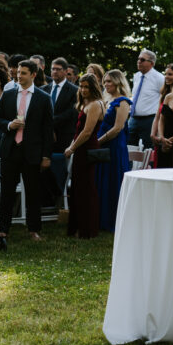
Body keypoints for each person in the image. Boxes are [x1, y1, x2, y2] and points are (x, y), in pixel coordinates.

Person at [0, 59, 54, 247]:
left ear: (34, 75)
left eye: (24, 73)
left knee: (34, 192)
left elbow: (47, 128)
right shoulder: (9, 95)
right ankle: (4, 228)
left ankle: (34, 229)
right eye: (18, 72)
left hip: (32, 151)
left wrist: (46, 156)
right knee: (7, 192)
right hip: (10, 149)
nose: (19, 76)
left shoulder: (43, 98)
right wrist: (10, 125)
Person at [65, 74, 104, 240]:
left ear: (93, 87)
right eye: (81, 86)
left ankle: (87, 230)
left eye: (86, 87)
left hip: (87, 149)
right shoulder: (85, 103)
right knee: (78, 188)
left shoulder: (95, 104)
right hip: (81, 149)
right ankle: (77, 227)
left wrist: (72, 148)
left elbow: (87, 132)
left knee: (86, 190)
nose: (82, 90)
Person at [95, 70, 132, 232]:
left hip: (115, 146)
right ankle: (100, 218)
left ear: (118, 82)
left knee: (113, 180)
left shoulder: (123, 102)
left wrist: (99, 141)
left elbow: (118, 128)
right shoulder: (106, 100)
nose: (106, 84)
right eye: (105, 81)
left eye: (109, 81)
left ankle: (113, 220)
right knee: (103, 180)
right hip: (103, 145)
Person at [46, 57, 79, 204]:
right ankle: (48, 198)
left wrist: (50, 123)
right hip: (47, 137)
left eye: (58, 69)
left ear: (66, 72)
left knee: (62, 169)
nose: (54, 72)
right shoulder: (44, 89)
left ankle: (62, 199)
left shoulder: (74, 91)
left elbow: (71, 113)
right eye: (53, 68)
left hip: (64, 136)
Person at [128, 49, 165, 148]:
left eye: (142, 59)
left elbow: (164, 99)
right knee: (129, 148)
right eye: (138, 59)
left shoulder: (159, 78)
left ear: (152, 63)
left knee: (149, 150)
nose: (139, 61)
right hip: (133, 119)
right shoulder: (136, 76)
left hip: (149, 120)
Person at [151, 63, 173, 166]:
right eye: (165, 74)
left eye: (170, 74)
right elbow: (158, 116)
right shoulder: (164, 93)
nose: (166, 77)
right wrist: (153, 133)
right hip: (161, 135)